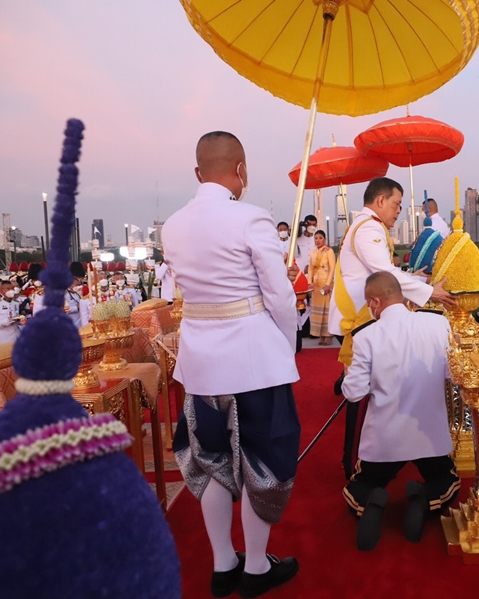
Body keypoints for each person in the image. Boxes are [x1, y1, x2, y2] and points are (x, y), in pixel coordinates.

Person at [161, 131, 300, 599]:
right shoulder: (251, 218)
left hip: (200, 364)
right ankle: (257, 567)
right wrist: (286, 345)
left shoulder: (172, 225)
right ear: (241, 170)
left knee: (212, 460)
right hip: (254, 361)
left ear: (198, 173)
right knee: (262, 461)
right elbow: (279, 295)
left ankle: (223, 564)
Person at [342, 272, 460, 551]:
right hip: (429, 438)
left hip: (384, 441)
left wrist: (351, 375)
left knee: (357, 487)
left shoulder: (365, 336)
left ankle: (370, 501)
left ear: (374, 302)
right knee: (447, 481)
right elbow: (454, 375)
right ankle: (423, 497)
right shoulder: (438, 323)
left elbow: (354, 393)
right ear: (401, 296)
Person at [329, 177, 455, 368]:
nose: (398, 211)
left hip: (363, 310)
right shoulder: (369, 228)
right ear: (381, 200)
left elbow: (382, 271)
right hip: (358, 315)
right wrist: (429, 292)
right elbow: (385, 274)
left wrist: (418, 279)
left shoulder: (367, 224)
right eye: (396, 204)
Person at [307, 230, 335, 345]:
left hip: (325, 283)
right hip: (316, 284)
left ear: (325, 239)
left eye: (320, 238)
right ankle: (320, 335)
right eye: (316, 238)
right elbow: (310, 268)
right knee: (317, 310)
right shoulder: (313, 252)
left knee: (327, 310)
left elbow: (333, 268)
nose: (317, 240)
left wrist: (328, 284)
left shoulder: (329, 251)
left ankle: (328, 335)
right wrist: (310, 282)